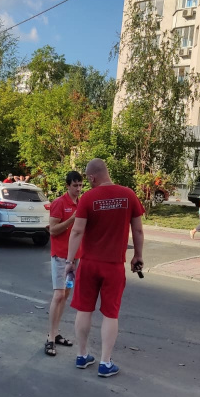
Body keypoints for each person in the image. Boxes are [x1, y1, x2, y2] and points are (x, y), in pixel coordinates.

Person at [62, 159, 145, 378]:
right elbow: (138, 231)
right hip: (114, 266)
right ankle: (105, 363)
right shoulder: (128, 195)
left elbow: (77, 232)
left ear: (91, 177)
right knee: (111, 313)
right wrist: (138, 255)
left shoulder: (88, 198)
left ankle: (82, 355)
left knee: (84, 309)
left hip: (89, 264)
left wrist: (70, 261)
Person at [44, 170, 84, 357]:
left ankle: (56, 332)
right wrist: (71, 219)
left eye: (80, 185)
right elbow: (52, 230)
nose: (78, 189)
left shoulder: (81, 203)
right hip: (60, 256)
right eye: (75, 185)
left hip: (74, 258)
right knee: (58, 295)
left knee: (65, 294)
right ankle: (50, 338)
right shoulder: (60, 203)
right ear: (67, 185)